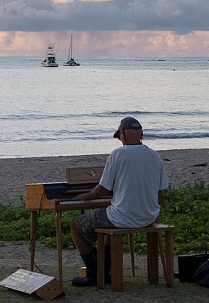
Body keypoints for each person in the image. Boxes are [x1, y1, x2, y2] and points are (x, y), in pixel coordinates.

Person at [70, 117, 169, 287]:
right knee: (109, 218)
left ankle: (94, 272)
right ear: (141, 134)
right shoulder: (154, 156)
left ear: (122, 134)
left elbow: (102, 190)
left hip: (123, 217)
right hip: (149, 217)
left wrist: (85, 196)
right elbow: (160, 193)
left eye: (119, 136)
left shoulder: (118, 154)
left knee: (76, 225)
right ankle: (107, 269)